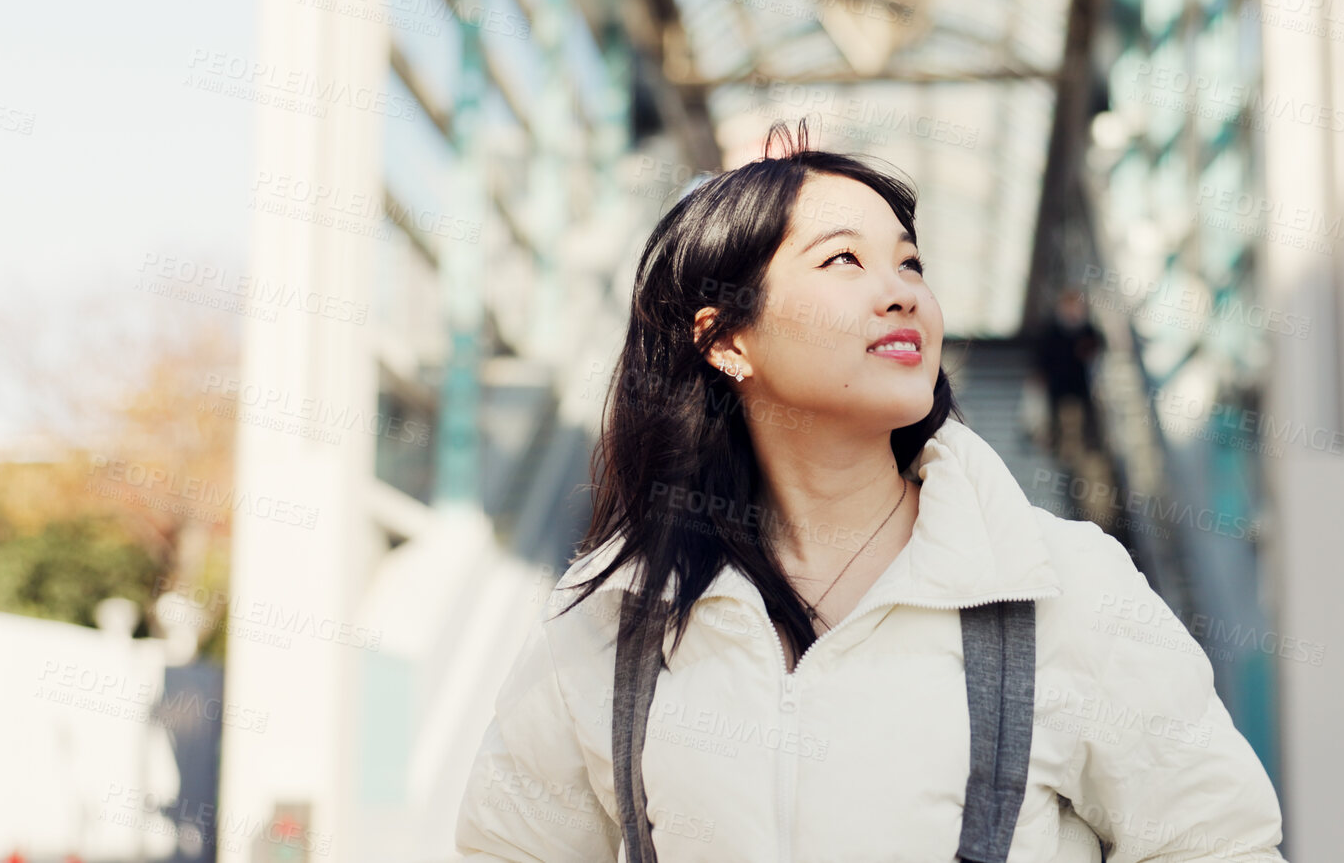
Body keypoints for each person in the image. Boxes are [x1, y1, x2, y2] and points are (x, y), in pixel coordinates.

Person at [455, 120, 1286, 862]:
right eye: (844, 259)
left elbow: (1218, 843)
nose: (903, 292)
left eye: (909, 261)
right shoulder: (611, 618)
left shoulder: (1063, 587)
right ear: (725, 340)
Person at [1034, 287, 1105, 454]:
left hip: (1080, 389)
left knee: (1077, 421)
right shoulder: (1051, 331)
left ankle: (1077, 448)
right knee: (1062, 421)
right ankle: (1061, 448)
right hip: (1058, 388)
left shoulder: (1088, 331)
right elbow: (1042, 358)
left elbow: (1097, 350)